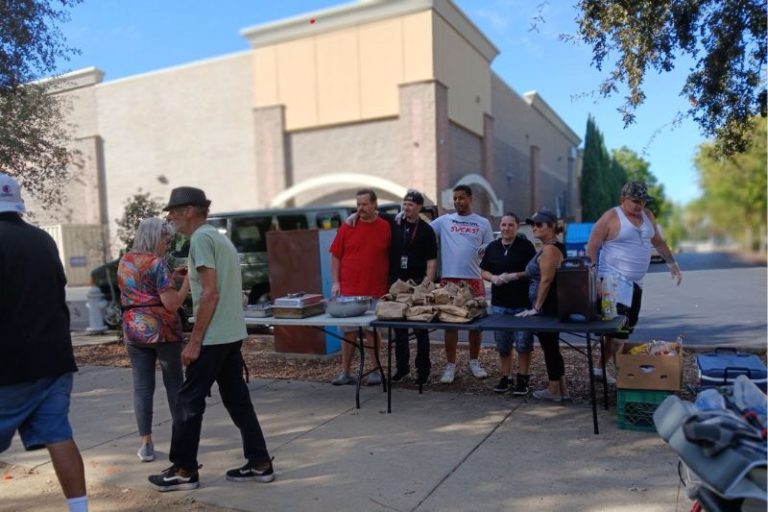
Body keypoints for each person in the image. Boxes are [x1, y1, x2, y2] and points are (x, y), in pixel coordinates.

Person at [149, 186, 273, 492]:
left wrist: (195, 341)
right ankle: (259, 462)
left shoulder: (201, 239)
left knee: (188, 402)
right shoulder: (217, 237)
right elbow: (214, 284)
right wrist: (190, 273)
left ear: (189, 210)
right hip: (230, 333)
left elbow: (210, 293)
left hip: (214, 337)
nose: (170, 217)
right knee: (237, 401)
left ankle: (183, 469)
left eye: (173, 211)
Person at [0, 173, 89, 512]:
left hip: (9, 366)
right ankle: (79, 509)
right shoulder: (43, 240)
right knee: (59, 435)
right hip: (54, 360)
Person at [586, 181, 683, 382]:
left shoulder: (647, 216)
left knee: (626, 330)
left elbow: (658, 241)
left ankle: (601, 369)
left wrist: (672, 264)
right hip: (613, 282)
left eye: (643, 201)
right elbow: (592, 247)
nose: (640, 205)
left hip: (637, 283)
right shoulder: (611, 217)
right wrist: (594, 279)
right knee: (617, 332)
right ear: (623, 199)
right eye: (636, 201)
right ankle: (624, 375)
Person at [117, 218, 190, 463]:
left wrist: (171, 277)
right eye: (165, 239)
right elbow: (172, 304)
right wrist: (187, 281)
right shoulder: (157, 263)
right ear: (155, 238)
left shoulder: (125, 261)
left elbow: (142, 289)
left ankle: (146, 444)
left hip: (133, 330)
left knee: (142, 387)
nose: (167, 244)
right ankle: (182, 440)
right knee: (174, 384)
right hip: (163, 331)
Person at [429, 185, 494, 384]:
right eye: (455, 198)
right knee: (450, 325)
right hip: (449, 280)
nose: (458, 201)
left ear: (470, 199)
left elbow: (490, 249)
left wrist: (485, 250)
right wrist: (399, 217)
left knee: (475, 325)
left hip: (474, 279)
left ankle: (474, 361)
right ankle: (450, 365)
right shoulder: (444, 221)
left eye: (461, 198)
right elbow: (423, 230)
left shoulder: (483, 223)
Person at [329, 189, 392, 386]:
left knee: (372, 331)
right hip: (349, 289)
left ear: (374, 205)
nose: (360, 208)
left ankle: (375, 371)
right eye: (358, 205)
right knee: (349, 332)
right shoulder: (348, 226)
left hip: (376, 288)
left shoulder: (386, 227)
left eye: (364, 204)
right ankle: (345, 372)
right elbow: (335, 255)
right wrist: (336, 282)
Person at [480, 212, 537, 394]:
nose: (506, 228)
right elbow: (483, 270)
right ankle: (506, 376)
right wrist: (493, 278)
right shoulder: (493, 247)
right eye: (503, 225)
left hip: (522, 304)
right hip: (499, 304)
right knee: (503, 344)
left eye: (510, 225)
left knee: (523, 344)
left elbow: (533, 271)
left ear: (517, 227)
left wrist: (515, 276)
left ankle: (523, 378)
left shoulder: (526, 246)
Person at [516, 208, 569, 402]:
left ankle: (554, 390)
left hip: (548, 307)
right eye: (533, 224)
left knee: (550, 348)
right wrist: (512, 276)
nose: (534, 228)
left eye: (539, 224)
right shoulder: (551, 246)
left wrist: (536, 308)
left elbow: (546, 280)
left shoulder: (550, 249)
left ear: (552, 226)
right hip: (550, 306)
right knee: (552, 347)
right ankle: (562, 390)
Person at [391, 190, 438, 386]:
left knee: (420, 329)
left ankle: (423, 371)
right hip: (398, 284)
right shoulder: (396, 225)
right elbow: (375, 215)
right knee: (399, 329)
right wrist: (352, 216)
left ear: (419, 207)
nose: (407, 207)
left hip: (418, 282)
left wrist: (427, 283)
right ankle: (402, 368)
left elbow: (431, 260)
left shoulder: (427, 230)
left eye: (410, 204)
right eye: (405, 204)